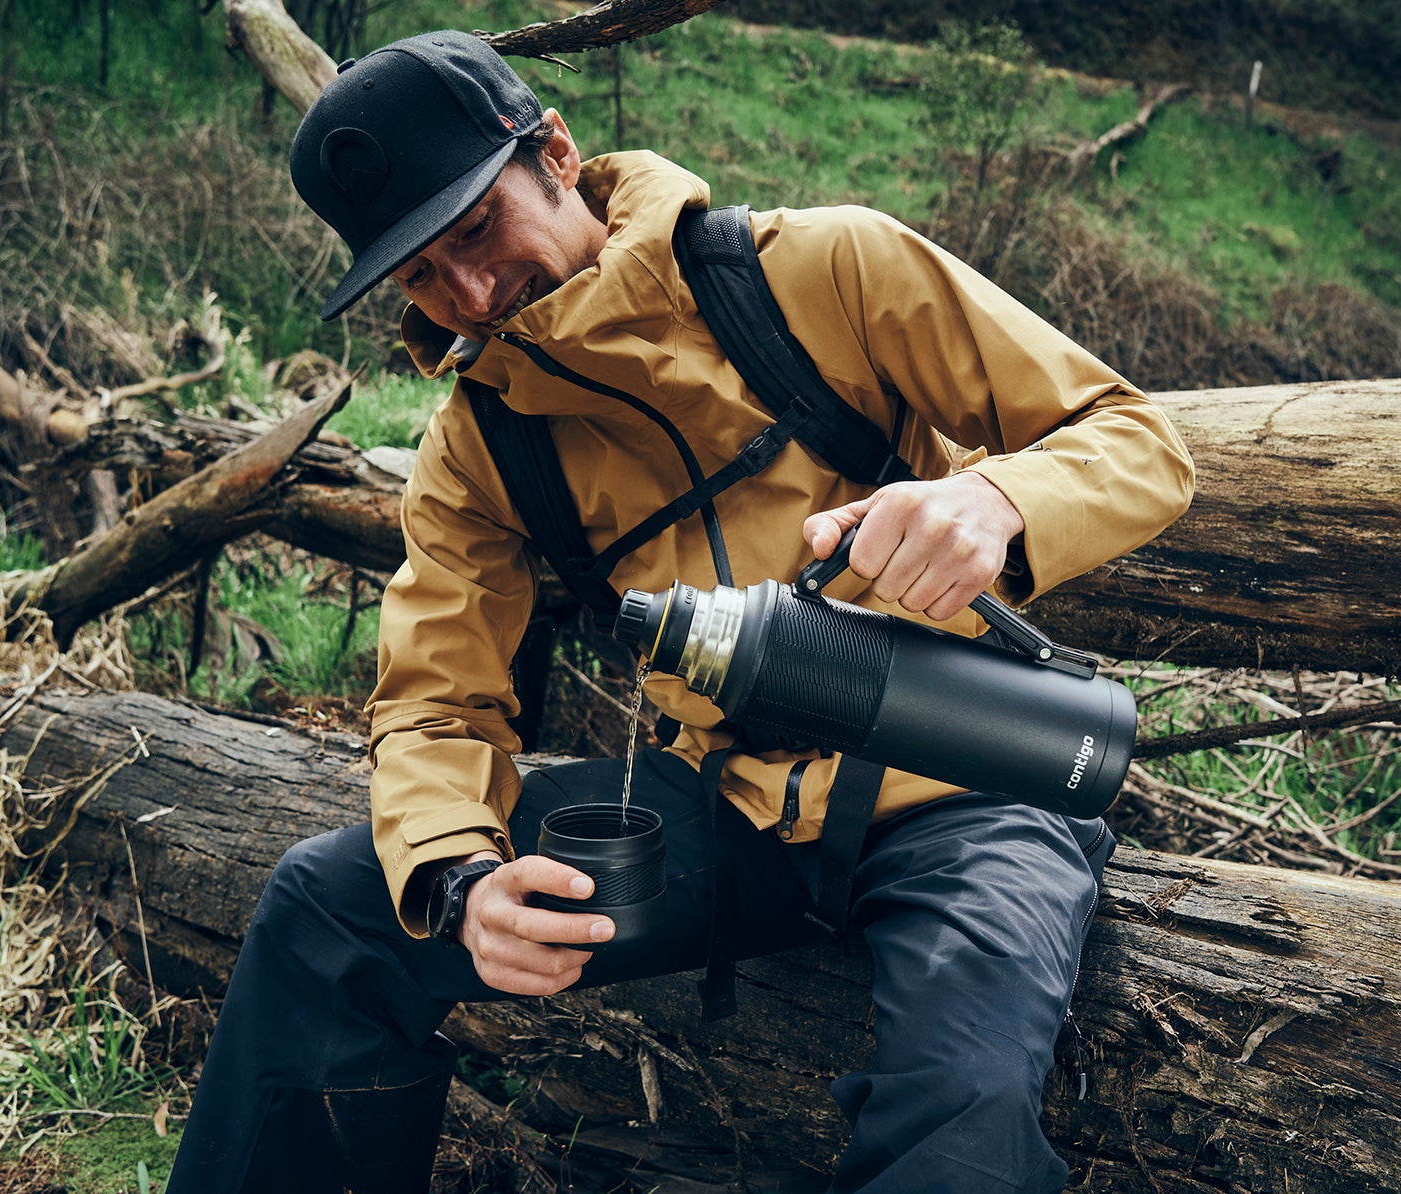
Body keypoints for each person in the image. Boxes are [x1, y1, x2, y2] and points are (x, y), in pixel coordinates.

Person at [166, 28, 1193, 1194]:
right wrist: (457, 879)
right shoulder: (480, 440)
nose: (471, 296)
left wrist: (997, 502)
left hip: (963, 788)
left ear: (555, 153)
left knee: (962, 1131)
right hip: (722, 805)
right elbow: (435, 703)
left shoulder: (821, 271)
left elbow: (1137, 440)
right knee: (330, 911)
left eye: (477, 232)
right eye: (420, 277)